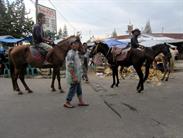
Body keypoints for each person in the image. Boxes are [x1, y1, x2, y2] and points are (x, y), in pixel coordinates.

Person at [64, 41, 89, 108]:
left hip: (77, 74)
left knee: (79, 89)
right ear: (71, 45)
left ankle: (81, 102)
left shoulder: (76, 52)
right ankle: (67, 102)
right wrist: (74, 76)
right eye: (74, 44)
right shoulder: (71, 53)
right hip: (73, 75)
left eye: (77, 44)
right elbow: (70, 66)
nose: (76, 45)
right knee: (73, 89)